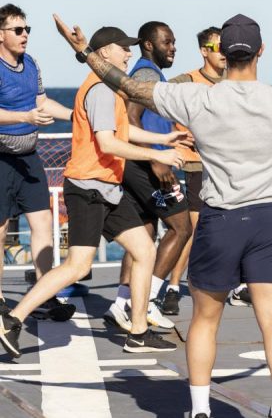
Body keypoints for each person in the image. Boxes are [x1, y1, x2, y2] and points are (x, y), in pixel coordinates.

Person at [51, 5, 272, 418]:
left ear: (223, 52)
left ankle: (201, 410)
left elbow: (130, 88)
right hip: (269, 222)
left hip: (220, 221)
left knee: (205, 321)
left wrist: (84, 52)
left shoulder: (197, 99)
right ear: (262, 51)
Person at [0, 26, 187, 358]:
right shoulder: (100, 88)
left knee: (144, 250)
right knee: (77, 265)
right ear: (104, 53)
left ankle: (138, 332)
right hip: (88, 189)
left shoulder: (110, 88)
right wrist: (157, 155)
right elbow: (108, 141)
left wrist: (165, 139)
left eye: (130, 49)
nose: (129, 54)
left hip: (108, 190)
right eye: (123, 49)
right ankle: (12, 320)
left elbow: (123, 129)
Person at [106, 21, 192, 331]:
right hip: (148, 164)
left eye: (173, 42)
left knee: (144, 233)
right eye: (167, 42)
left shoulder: (150, 74)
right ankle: (146, 301)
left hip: (137, 163)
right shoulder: (145, 75)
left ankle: (120, 302)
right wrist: (158, 161)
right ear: (148, 45)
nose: (173, 48)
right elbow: (131, 117)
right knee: (182, 227)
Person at [0, 3, 75, 321]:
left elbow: (43, 102)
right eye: (18, 30)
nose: (25, 35)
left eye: (27, 29)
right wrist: (25, 116)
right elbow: (26, 111)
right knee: (1, 232)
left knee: (43, 225)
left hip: (29, 158)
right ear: (1, 34)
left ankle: (45, 295)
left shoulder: (31, 64)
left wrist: (75, 116)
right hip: (2, 160)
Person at [159, 26, 226, 316]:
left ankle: (234, 282)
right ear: (203, 51)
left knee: (231, 224)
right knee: (195, 229)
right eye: (216, 48)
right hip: (194, 164)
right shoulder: (186, 81)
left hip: (225, 164)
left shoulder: (234, 83)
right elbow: (155, 99)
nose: (223, 53)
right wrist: (174, 134)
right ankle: (174, 286)